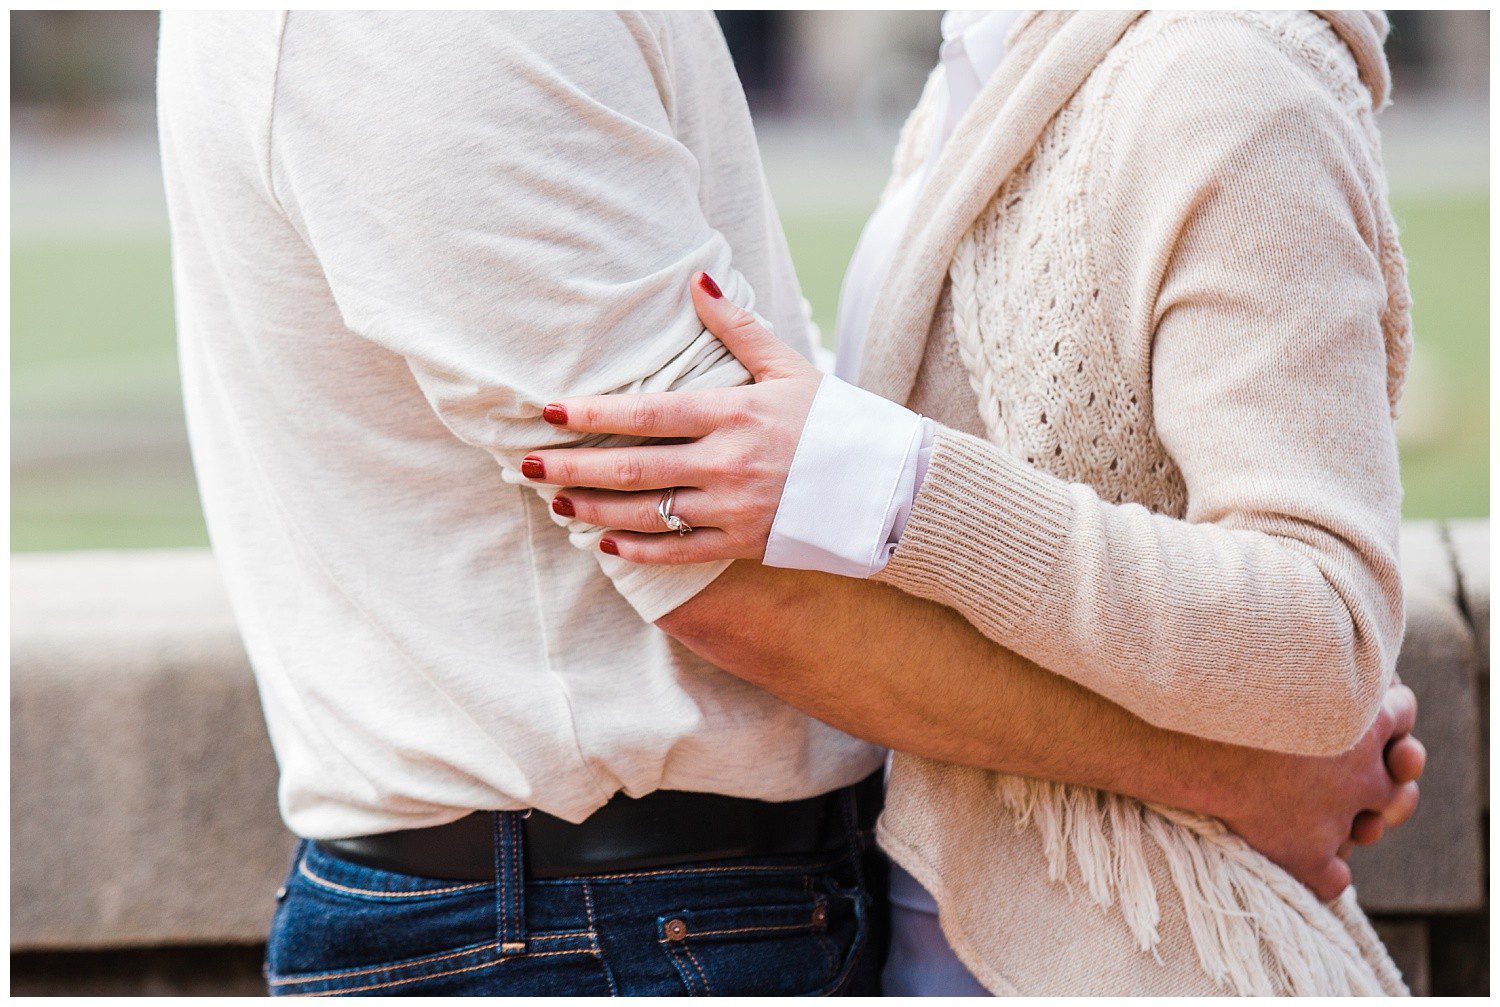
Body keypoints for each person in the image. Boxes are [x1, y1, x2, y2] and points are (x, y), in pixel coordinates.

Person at [158, 10, 1421, 996]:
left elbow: (785, 462)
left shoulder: (1179, 78)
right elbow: (742, 577)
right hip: (590, 936)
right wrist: (1223, 768)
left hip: (632, 918)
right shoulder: (443, 27)